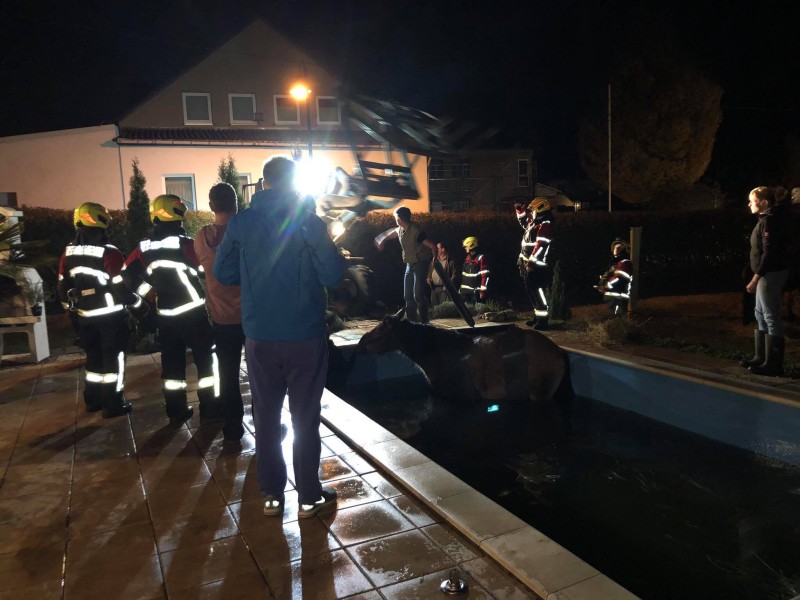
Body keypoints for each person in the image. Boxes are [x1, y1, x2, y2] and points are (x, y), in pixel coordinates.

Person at [214, 156, 346, 518]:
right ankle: (308, 497)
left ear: (263, 183)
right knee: (306, 416)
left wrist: (257, 274)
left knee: (266, 416)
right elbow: (333, 273)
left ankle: (271, 495)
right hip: (304, 335)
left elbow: (222, 272)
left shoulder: (242, 222)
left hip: (259, 335)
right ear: (294, 182)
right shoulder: (308, 221)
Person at [121, 194, 221, 424]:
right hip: (193, 313)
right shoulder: (185, 244)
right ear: (176, 215)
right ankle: (210, 408)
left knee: (172, 366)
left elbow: (126, 277)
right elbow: (206, 272)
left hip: (165, 315)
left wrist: (149, 294)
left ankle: (176, 411)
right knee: (206, 361)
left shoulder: (143, 247)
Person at [58, 202, 132, 418]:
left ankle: (92, 401)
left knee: (93, 359)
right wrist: (137, 305)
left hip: (85, 318)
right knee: (114, 358)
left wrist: (71, 312)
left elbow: (63, 287)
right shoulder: (110, 253)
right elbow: (121, 286)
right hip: (111, 316)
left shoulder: (67, 254)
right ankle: (114, 403)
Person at [194, 183, 246, 442]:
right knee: (261, 373)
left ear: (211, 206)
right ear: (235, 204)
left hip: (221, 318)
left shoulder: (200, 237)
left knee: (227, 375)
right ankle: (265, 421)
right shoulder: (247, 234)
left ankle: (233, 429)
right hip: (253, 317)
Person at [740, 186, 790, 376]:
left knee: (770, 315)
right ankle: (761, 357)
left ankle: (774, 363)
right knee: (760, 313)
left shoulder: (769, 221)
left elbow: (769, 253)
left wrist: (755, 278)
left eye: (752, 200)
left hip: (770, 274)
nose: (749, 204)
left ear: (764, 202)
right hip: (766, 274)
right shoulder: (765, 220)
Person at [374, 206, 436, 323]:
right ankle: (412, 322)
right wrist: (382, 240)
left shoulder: (417, 232)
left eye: (396, 217)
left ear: (400, 219)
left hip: (420, 264)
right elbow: (392, 232)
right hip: (409, 265)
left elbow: (432, 246)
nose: (395, 219)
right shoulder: (401, 229)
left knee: (418, 295)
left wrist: (435, 259)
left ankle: (424, 322)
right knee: (408, 296)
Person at [516, 197, 553, 329]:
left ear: (540, 209)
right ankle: (537, 316)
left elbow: (541, 246)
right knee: (531, 292)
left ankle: (543, 320)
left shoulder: (545, 225)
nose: (531, 213)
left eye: (533, 210)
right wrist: (520, 210)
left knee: (538, 292)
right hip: (526, 263)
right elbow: (524, 222)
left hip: (536, 266)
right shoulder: (534, 223)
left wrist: (531, 263)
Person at [597, 238, 633, 316]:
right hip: (611, 297)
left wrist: (605, 285)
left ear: (624, 250)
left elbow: (619, 278)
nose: (616, 249)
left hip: (618, 297)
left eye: (619, 247)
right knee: (611, 320)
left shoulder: (625, 262)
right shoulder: (614, 264)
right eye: (615, 247)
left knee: (617, 321)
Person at [428, 242, 460, 307]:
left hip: (444, 289)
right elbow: (430, 272)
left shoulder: (450, 261)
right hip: (434, 288)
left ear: (443, 249)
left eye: (438, 248)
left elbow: (454, 275)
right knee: (434, 308)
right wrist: (428, 278)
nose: (436, 250)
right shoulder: (434, 260)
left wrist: (448, 285)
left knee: (443, 308)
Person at [460, 236, 490, 304]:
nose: (465, 248)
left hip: (475, 293)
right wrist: (461, 290)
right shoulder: (467, 259)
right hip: (465, 293)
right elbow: (464, 276)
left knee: (477, 313)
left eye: (466, 246)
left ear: (471, 245)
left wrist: (482, 291)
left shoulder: (481, 258)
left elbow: (485, 276)